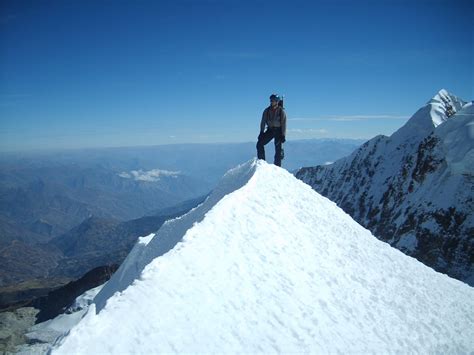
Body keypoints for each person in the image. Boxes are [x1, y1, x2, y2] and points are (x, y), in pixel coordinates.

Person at [256, 94, 287, 167]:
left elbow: (284, 124)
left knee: (278, 151)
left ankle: (277, 167)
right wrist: (261, 132)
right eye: (271, 100)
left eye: (273, 100)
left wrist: (283, 135)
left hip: (278, 131)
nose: (271, 102)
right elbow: (263, 122)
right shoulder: (266, 111)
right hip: (270, 130)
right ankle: (262, 163)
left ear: (277, 101)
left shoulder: (281, 111)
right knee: (259, 144)